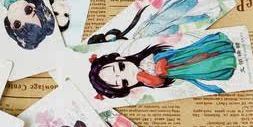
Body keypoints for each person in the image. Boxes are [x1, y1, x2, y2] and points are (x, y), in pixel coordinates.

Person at [87, 32, 237, 99]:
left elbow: (161, 53)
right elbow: (158, 81)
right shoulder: (143, 79)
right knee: (204, 66)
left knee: (201, 52)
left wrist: (160, 62)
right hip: (182, 70)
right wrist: (143, 77)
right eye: (124, 82)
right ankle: (225, 63)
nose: (128, 74)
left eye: (121, 67)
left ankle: (222, 47)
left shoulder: (144, 58)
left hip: (178, 57)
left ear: (120, 59)